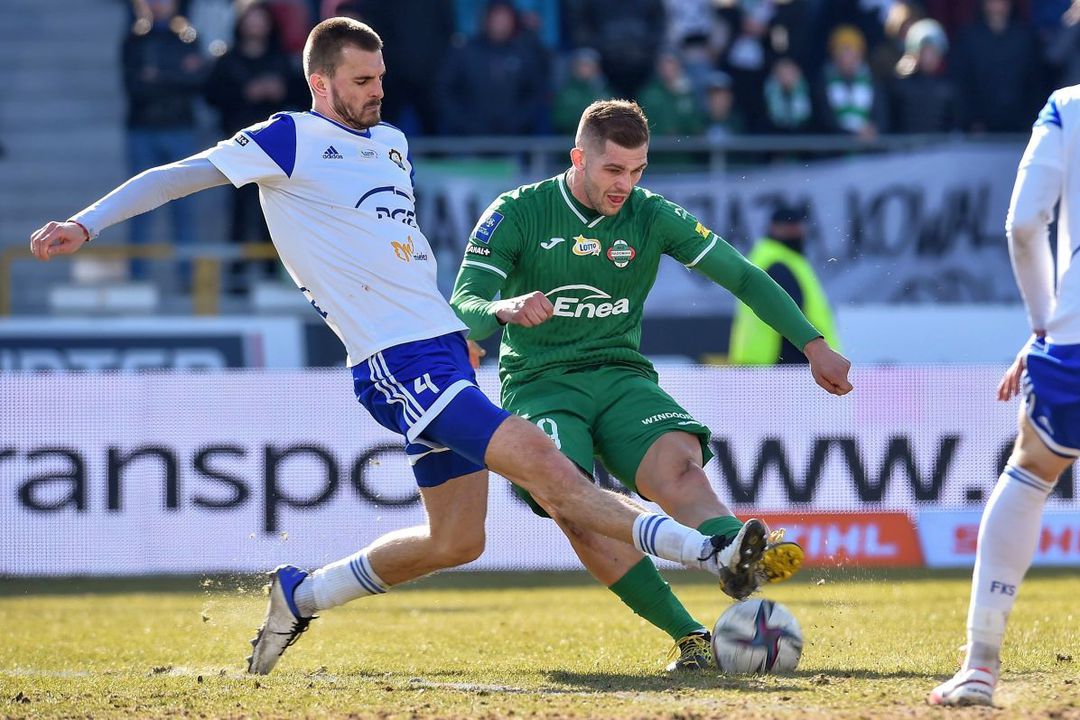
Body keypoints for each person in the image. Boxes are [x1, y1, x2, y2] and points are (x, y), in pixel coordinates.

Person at [28, 18, 782, 677]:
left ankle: (302, 594)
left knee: (457, 541)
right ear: (320, 83)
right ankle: (708, 552)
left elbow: (399, 253)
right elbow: (177, 177)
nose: (377, 91)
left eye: (381, 77)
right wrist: (87, 224)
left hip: (443, 350)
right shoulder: (289, 138)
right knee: (550, 469)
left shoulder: (391, 144)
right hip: (395, 360)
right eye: (361, 80)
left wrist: (463, 332)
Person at [450, 100, 852, 670]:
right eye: (613, 170)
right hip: (541, 385)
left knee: (678, 466)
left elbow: (742, 276)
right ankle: (692, 633)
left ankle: (731, 547)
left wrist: (812, 344)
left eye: (637, 170)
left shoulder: (652, 214)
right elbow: (463, 303)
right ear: (578, 159)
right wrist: (502, 308)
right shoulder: (518, 212)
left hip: (621, 375)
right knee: (571, 502)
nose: (626, 185)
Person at [929, 87, 1080, 706]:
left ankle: (981, 664)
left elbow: (1023, 226)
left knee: (1032, 471)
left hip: (1075, 338)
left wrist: (1045, 327)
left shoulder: (1068, 107)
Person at [204, 0, 307, 292]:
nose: (256, 25)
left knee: (273, 212)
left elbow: (301, 95)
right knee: (239, 212)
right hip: (238, 147)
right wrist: (244, 93)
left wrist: (279, 91)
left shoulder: (281, 60)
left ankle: (271, 274)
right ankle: (237, 276)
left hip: (275, 149)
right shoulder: (227, 60)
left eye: (261, 19)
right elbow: (212, 95)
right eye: (251, 18)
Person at [121, 0, 206, 284]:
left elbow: (197, 81)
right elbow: (136, 87)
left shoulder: (188, 37)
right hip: (143, 129)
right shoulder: (134, 40)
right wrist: (177, 75)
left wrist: (159, 76)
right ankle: (137, 277)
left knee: (184, 209)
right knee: (137, 205)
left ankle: (187, 279)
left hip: (180, 128)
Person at [729, 205, 841, 366]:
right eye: (793, 226)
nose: (799, 231)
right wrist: (813, 353)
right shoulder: (778, 262)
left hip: (764, 358)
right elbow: (789, 313)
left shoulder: (772, 256)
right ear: (776, 228)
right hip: (781, 360)